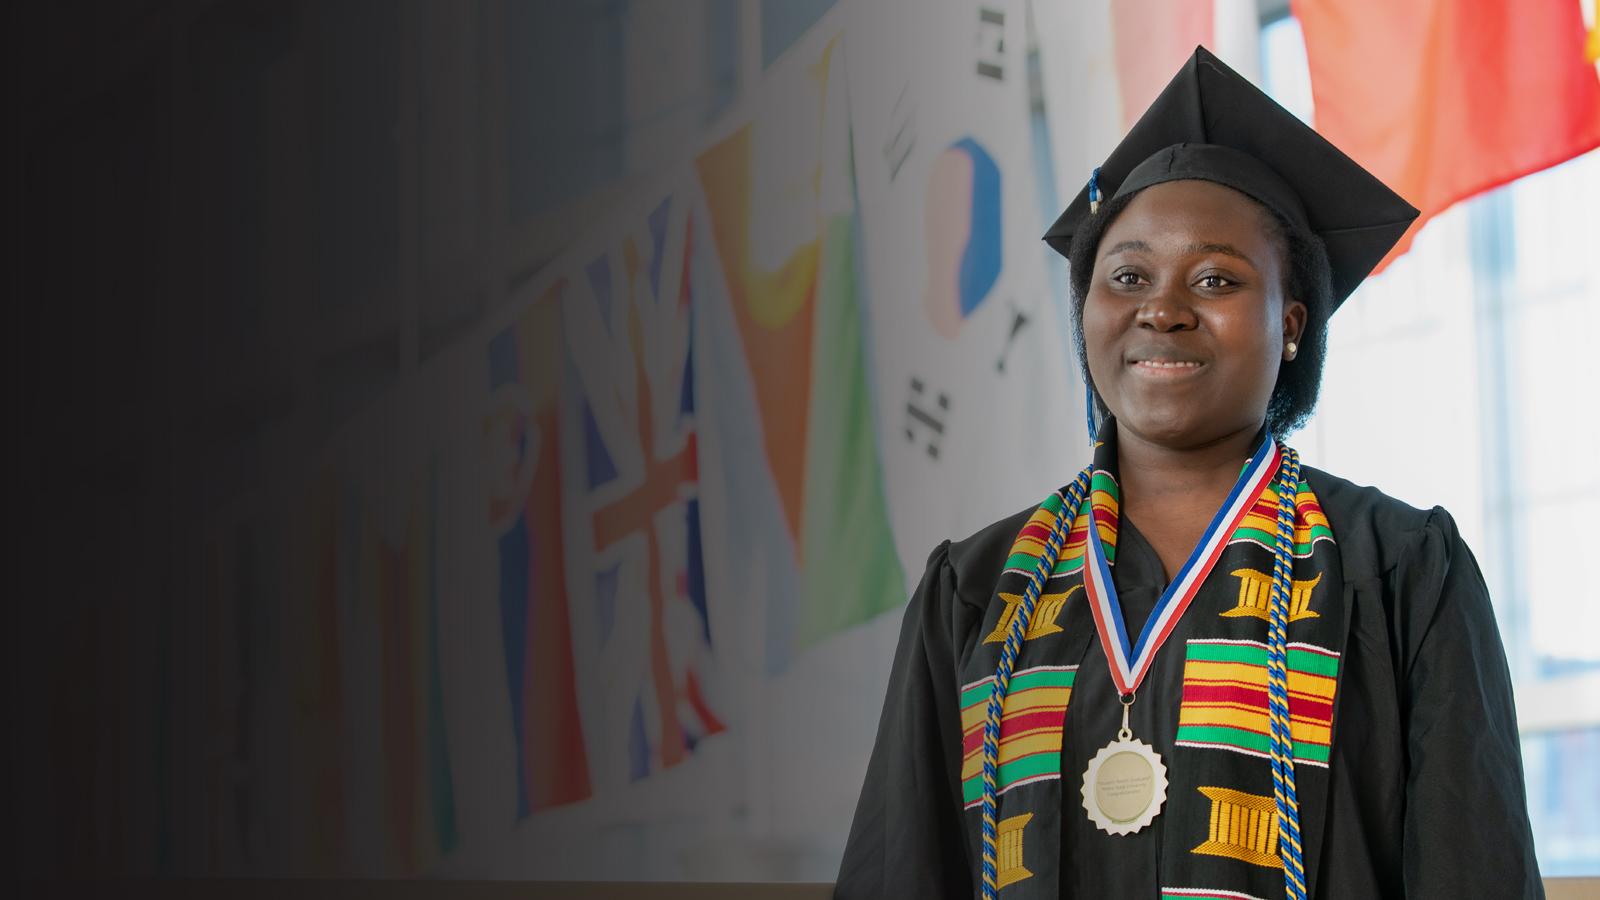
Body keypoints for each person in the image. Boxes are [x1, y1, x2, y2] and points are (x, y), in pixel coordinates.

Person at [835, 47, 1543, 900]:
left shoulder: (1398, 571)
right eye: (1127, 276)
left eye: (1215, 279)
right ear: (1087, 310)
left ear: (1290, 325)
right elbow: (906, 870)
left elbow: (1474, 873)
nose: (1162, 309)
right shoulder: (978, 591)